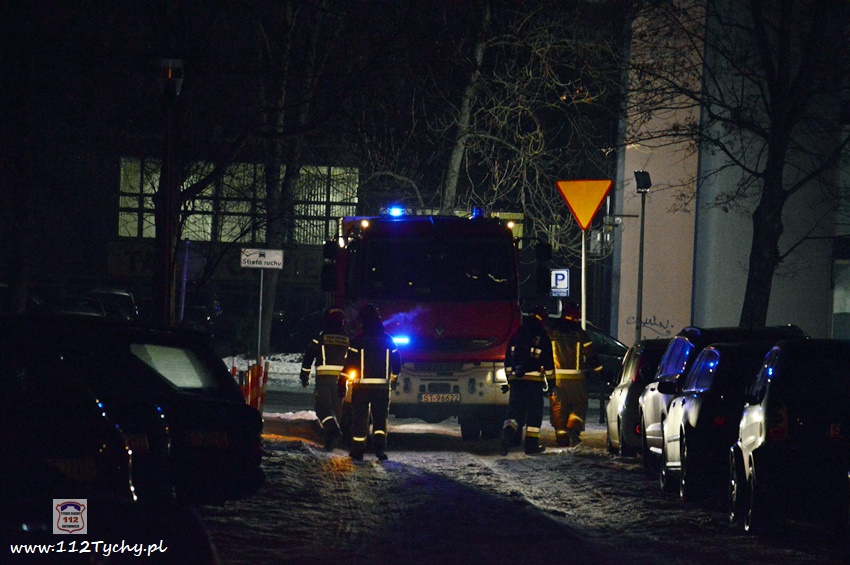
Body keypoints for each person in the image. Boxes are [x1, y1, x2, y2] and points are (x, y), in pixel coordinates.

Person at [341, 304, 401, 462]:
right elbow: (397, 363)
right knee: (380, 420)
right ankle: (380, 450)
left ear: (363, 321)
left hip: (361, 388)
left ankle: (358, 451)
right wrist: (394, 379)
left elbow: (349, 364)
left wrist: (342, 382)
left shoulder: (358, 341)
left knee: (360, 420)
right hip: (382, 388)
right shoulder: (388, 340)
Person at [499, 304, 554, 456]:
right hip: (534, 384)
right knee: (534, 415)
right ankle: (531, 446)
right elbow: (549, 364)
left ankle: (506, 438)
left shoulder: (516, 336)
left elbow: (507, 362)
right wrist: (552, 385)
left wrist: (510, 381)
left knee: (514, 414)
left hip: (517, 383)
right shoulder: (542, 337)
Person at [547, 309, 604, 447]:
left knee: (558, 408)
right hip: (576, 380)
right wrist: (601, 372)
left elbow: (544, 355)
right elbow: (591, 356)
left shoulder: (551, 333)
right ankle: (573, 428)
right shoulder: (580, 334)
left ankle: (561, 437)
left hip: (557, 379)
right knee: (579, 405)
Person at [300, 308, 350, 451]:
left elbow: (309, 356)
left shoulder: (321, 336)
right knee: (336, 408)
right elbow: (353, 360)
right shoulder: (348, 338)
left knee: (322, 408)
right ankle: (332, 440)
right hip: (342, 379)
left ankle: (333, 432)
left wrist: (305, 375)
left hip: (324, 378)